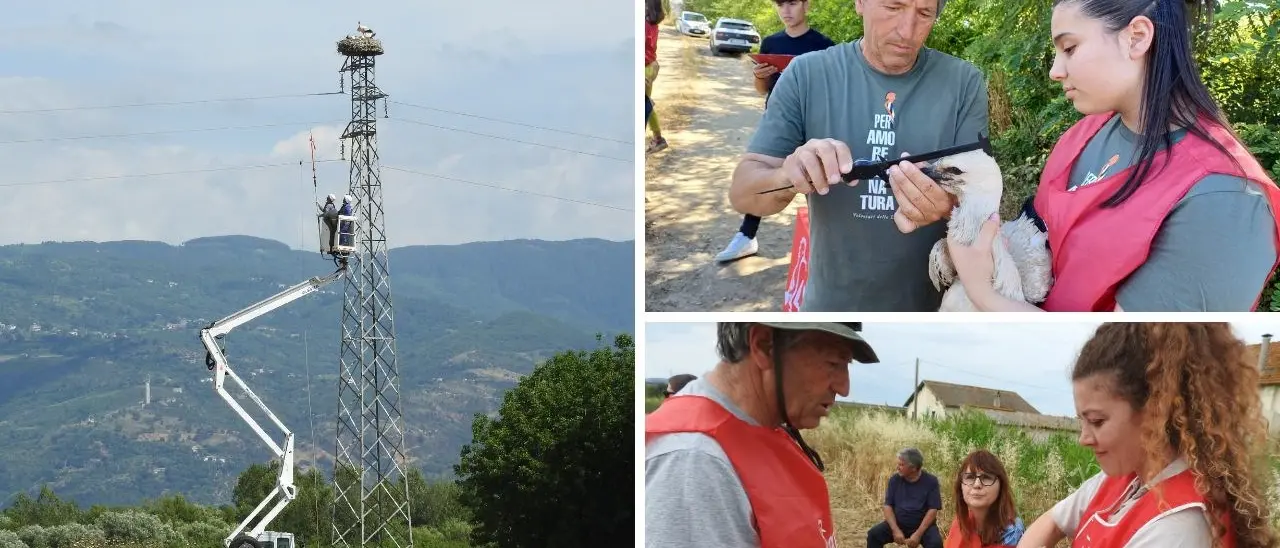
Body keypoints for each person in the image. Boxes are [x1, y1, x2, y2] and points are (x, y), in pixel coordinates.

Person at [946, 0, 1280, 312]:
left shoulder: (1222, 200)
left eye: (1070, 48)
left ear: (1136, 38)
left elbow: (1129, 363)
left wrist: (981, 291)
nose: (1055, 70)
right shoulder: (1083, 136)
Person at [727, 0, 990, 311]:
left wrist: (946, 207)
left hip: (932, 307)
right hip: (831, 307)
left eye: (924, 14)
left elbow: (983, 205)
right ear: (860, 3)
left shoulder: (963, 83)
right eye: (894, 7)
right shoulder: (806, 75)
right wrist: (790, 175)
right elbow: (743, 194)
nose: (907, 30)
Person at [1017, 323, 1277, 548]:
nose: (1084, 438)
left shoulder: (1178, 527)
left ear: (1155, 411)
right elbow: (1051, 522)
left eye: (1097, 421)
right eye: (1081, 420)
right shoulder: (1126, 475)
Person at [645, 322, 879, 547]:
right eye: (833, 363)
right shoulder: (694, 462)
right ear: (764, 346)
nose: (844, 388)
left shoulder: (763, 427)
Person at [715, 0, 836, 264]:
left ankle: (824, 245)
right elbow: (763, 89)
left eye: (792, 3)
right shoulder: (770, 42)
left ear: (807, 5)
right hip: (778, 123)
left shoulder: (825, 45)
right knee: (764, 174)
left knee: (818, 179)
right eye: (780, 4)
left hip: (814, 122)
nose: (786, 11)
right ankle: (746, 236)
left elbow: (834, 91)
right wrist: (760, 76)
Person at [944, 450, 1024, 548]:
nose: (977, 484)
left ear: (1001, 486)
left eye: (986, 477)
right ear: (960, 486)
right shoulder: (960, 523)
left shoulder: (1012, 532)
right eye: (970, 477)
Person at [868, 448, 943, 548]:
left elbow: (932, 510)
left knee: (936, 544)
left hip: (923, 527)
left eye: (901, 465)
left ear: (913, 468)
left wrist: (918, 534)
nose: (897, 467)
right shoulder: (895, 480)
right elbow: (887, 506)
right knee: (873, 535)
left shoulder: (931, 481)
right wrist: (895, 530)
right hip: (899, 523)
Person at [645, 0, 669, 155]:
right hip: (650, 66)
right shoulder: (653, 23)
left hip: (644, 68)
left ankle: (658, 138)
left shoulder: (643, 23)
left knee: (644, 105)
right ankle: (658, 137)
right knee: (645, 104)